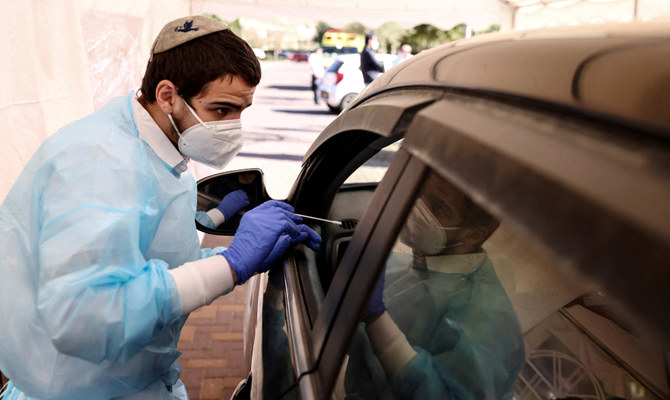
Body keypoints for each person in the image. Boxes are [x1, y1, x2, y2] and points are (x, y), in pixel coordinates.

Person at [0, 15, 320, 400]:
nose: (235, 128)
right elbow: (84, 315)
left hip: (130, 378)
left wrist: (239, 255)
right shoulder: (100, 162)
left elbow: (145, 264)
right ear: (168, 95)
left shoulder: (157, 147)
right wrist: (230, 266)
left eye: (242, 111)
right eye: (221, 110)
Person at [345, 171, 524, 399]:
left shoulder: (490, 320)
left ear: (473, 235)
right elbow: (361, 350)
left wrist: (377, 320)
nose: (420, 208)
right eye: (421, 194)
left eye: (439, 207)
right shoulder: (405, 266)